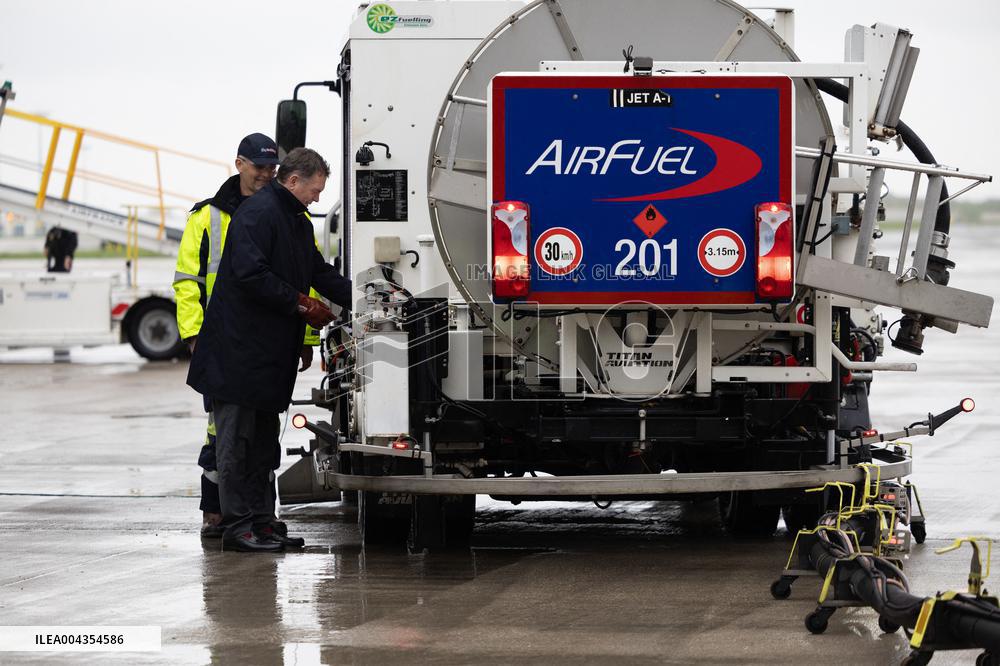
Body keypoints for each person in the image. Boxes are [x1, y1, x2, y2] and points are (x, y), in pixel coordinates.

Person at [187, 147, 351, 552]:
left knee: (263, 447)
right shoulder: (259, 214)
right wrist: (302, 304)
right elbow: (249, 274)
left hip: (265, 356)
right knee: (235, 449)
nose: (317, 198)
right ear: (293, 181)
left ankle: (262, 521)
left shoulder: (294, 219)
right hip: (238, 354)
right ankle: (238, 526)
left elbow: (315, 270)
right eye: (314, 190)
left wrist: (362, 296)